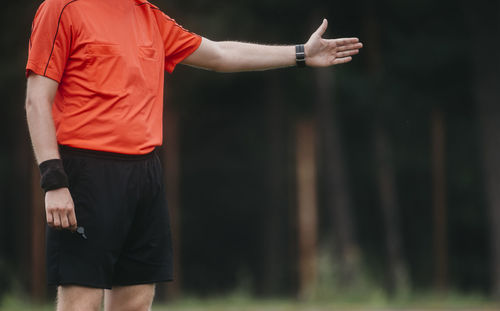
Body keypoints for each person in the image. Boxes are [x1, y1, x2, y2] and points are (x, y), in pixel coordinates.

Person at [25, 0, 363, 310]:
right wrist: (53, 180)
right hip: (86, 173)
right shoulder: (62, 9)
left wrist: (301, 53)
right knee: (80, 305)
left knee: (136, 303)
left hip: (144, 175)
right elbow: (36, 99)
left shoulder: (147, 15)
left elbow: (219, 55)